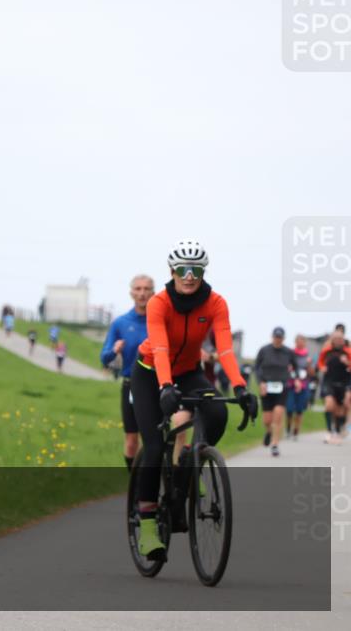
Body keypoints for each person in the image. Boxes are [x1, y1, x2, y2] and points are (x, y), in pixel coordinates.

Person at [130, 240, 257, 561]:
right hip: (150, 373)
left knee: (217, 413)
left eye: (196, 270)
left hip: (188, 371)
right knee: (154, 447)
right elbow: (160, 348)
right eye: (183, 270)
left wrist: (241, 387)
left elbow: (225, 348)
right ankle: (147, 527)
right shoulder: (159, 303)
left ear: (203, 272)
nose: (189, 276)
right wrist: (165, 386)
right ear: (172, 271)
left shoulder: (216, 303)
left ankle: (189, 465)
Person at [100, 274, 154, 470]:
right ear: (131, 293)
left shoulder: (159, 320)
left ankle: (158, 479)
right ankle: (134, 480)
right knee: (131, 441)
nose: (142, 293)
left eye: (146, 289)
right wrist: (114, 351)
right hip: (131, 385)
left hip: (157, 384)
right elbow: (104, 357)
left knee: (155, 439)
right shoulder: (121, 323)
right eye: (138, 289)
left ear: (153, 292)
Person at [254, 327, 299, 457]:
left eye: (280, 337)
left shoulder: (288, 352)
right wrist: (260, 383)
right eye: (276, 337)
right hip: (266, 387)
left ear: (283, 338)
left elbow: (296, 368)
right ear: (272, 337)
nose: (278, 339)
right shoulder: (264, 350)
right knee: (267, 420)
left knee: (278, 416)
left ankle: (274, 444)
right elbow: (256, 367)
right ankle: (268, 431)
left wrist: (296, 379)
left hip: (282, 387)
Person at [318, 328, 351, 445]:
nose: (338, 341)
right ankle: (328, 431)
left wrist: (347, 363)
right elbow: (320, 362)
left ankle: (337, 431)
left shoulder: (348, 351)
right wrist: (322, 368)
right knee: (329, 405)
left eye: (340, 339)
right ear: (332, 340)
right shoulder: (326, 351)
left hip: (343, 383)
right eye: (336, 339)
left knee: (339, 411)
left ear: (343, 340)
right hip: (329, 382)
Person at [286, 334, 315, 440]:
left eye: (302, 341)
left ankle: (296, 431)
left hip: (303, 386)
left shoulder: (308, 356)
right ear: (295, 342)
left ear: (305, 343)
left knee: (299, 410)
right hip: (291, 385)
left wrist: (309, 364)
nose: (300, 343)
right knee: (289, 409)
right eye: (298, 341)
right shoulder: (290, 354)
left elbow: (312, 373)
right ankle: (288, 429)